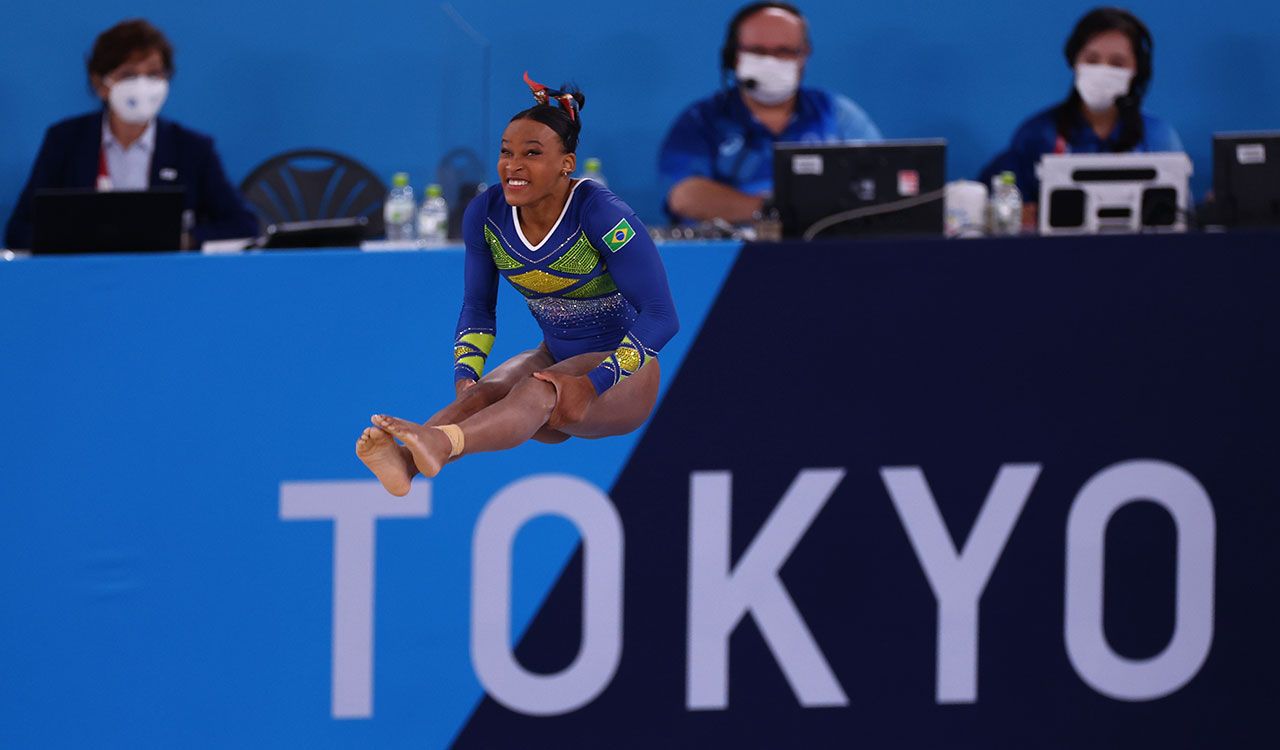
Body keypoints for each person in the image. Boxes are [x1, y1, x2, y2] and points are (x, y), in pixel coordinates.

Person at [356, 73, 679, 495]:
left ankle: (443, 442)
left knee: (535, 389)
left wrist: (592, 383)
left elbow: (662, 317)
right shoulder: (486, 214)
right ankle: (403, 462)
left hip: (621, 380)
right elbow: (477, 308)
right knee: (485, 392)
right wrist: (465, 376)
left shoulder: (600, 214)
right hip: (556, 356)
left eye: (532, 153)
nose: (513, 166)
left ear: (567, 163)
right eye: (506, 152)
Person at [4, 19, 258, 249]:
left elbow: (243, 224)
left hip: (166, 277)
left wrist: (182, 240)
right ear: (100, 83)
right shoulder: (66, 141)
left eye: (154, 74)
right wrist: (77, 239)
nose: (142, 86)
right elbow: (19, 231)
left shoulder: (191, 148)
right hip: (84, 277)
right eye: (128, 75)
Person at [658, 2, 882, 224]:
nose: (771, 61)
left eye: (784, 51)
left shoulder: (836, 114)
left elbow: (881, 181)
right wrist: (774, 210)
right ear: (733, 56)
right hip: (731, 256)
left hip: (827, 251)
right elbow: (683, 196)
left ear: (804, 54)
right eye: (757, 51)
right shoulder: (702, 121)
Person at [979, 7, 1184, 214]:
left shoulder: (1158, 137)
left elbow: (1180, 217)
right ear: (1074, 61)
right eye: (1092, 60)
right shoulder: (1037, 134)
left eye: (1117, 63)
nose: (1103, 70)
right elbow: (1001, 207)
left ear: (1136, 70)